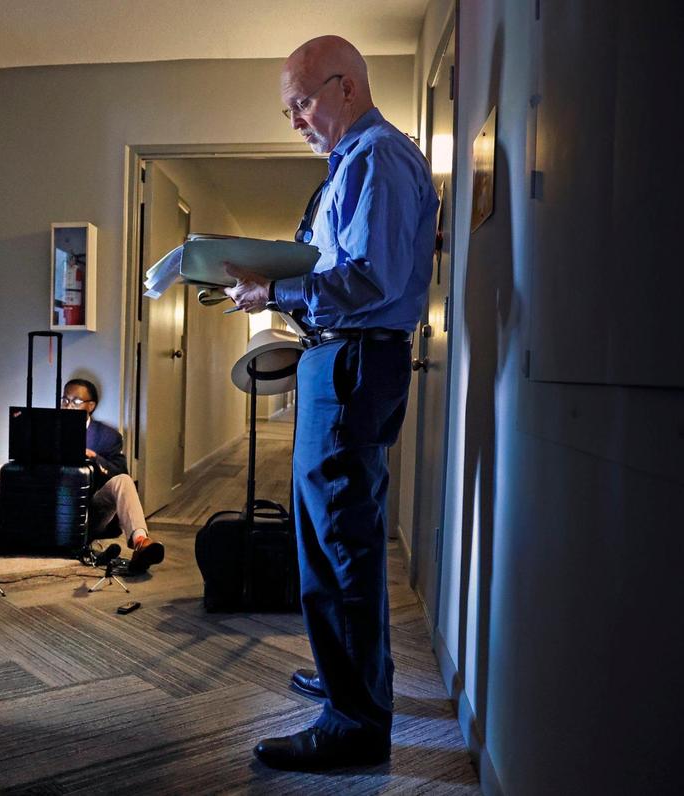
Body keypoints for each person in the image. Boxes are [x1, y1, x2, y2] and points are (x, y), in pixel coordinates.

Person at [224, 36, 438, 771]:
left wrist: (272, 291)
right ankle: (353, 675)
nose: (296, 120)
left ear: (347, 87)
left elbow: (369, 280)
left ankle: (354, 724)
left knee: (339, 543)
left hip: (350, 361)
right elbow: (343, 268)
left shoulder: (377, 158)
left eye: (303, 103)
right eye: (289, 110)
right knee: (335, 538)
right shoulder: (358, 162)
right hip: (344, 361)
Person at [0, 378, 166, 572]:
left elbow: (120, 471)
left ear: (91, 406)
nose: (67, 405)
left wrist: (93, 457)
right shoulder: (47, 427)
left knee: (122, 481)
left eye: (75, 402)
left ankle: (141, 542)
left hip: (91, 510)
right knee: (1, 470)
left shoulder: (108, 436)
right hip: (49, 503)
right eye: (64, 400)